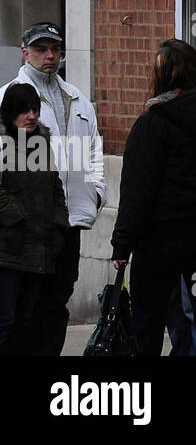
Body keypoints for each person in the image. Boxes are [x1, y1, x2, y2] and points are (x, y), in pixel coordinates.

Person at [110, 39, 196, 356]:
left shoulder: (153, 122)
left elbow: (137, 189)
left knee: (148, 322)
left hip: (161, 242)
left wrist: (122, 243)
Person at [0, 22, 104, 356]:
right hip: (22, 231)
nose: (49, 56)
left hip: (66, 223)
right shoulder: (9, 97)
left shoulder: (78, 99)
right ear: (24, 51)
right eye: (42, 49)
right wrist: (17, 215)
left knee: (56, 306)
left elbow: (93, 154)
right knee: (20, 314)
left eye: (55, 49)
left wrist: (95, 195)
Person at [0, 83, 69, 355]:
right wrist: (18, 219)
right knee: (6, 321)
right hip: (8, 251)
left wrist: (59, 227)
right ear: (10, 113)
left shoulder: (42, 141)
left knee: (29, 322)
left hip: (40, 250)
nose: (31, 116)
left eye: (35, 110)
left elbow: (55, 190)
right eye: (24, 110)